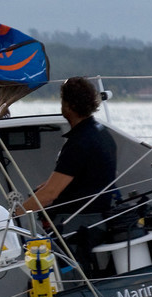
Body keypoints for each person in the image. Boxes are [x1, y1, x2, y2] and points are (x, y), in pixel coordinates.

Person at [18, 76, 119, 232]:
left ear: (69, 105)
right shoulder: (101, 132)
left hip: (79, 221)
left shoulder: (78, 143)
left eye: (62, 100)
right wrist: (44, 188)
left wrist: (13, 215)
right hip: (101, 215)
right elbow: (88, 177)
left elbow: (50, 194)